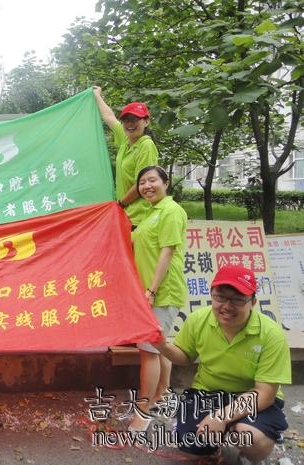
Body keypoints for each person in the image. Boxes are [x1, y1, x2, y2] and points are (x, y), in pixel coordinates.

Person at [153, 265, 291, 464]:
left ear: (252, 302)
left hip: (252, 395)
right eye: (220, 297)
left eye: (237, 299)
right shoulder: (198, 320)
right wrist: (162, 345)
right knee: (189, 443)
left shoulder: (271, 334)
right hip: (208, 392)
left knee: (252, 438)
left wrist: (222, 417)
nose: (227, 306)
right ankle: (219, 440)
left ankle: (246, 445)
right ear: (212, 295)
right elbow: (184, 357)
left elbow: (265, 393)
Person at [128, 165, 188, 431]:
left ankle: (142, 412)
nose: (147, 186)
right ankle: (161, 395)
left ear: (166, 183)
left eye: (152, 180)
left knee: (148, 351)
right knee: (160, 345)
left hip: (162, 292)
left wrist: (152, 290)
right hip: (151, 291)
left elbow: (167, 251)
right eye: (142, 182)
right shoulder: (151, 212)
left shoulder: (171, 211)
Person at [93, 86, 158, 228]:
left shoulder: (146, 145)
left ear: (146, 122)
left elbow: (142, 184)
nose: (130, 124)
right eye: (126, 120)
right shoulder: (126, 139)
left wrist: (121, 204)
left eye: (135, 119)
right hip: (125, 214)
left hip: (139, 217)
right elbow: (109, 117)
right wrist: (97, 95)